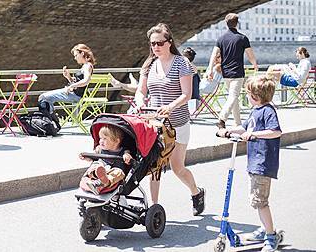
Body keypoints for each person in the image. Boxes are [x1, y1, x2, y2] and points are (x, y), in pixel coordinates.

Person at [134, 23, 205, 216]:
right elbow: (141, 91)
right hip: (154, 123)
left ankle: (196, 192)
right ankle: (153, 208)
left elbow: (187, 94)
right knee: (154, 164)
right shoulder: (149, 64)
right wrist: (140, 101)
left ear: (169, 43)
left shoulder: (182, 63)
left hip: (178, 123)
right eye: (152, 44)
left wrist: (170, 107)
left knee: (177, 167)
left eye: (159, 43)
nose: (155, 47)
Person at [217, 75, 282, 252]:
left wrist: (255, 135)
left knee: (260, 201)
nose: (247, 96)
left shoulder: (268, 110)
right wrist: (228, 130)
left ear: (256, 96)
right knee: (257, 200)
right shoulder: (256, 110)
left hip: (263, 162)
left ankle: (271, 236)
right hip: (255, 161)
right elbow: (245, 128)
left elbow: (275, 131)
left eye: (248, 93)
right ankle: (265, 228)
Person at [206, 13, 258, 129]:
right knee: (233, 96)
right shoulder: (243, 38)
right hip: (238, 72)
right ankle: (222, 118)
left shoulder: (221, 39)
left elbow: (213, 55)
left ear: (226, 23)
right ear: (237, 23)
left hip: (226, 73)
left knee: (232, 97)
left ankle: (237, 123)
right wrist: (254, 64)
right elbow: (250, 55)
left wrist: (209, 70)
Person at [38, 44, 95, 113]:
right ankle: (50, 118)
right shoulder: (85, 66)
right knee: (44, 97)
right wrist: (68, 77)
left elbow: (86, 81)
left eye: (76, 55)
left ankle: (48, 120)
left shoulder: (87, 66)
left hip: (74, 96)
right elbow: (79, 83)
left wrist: (71, 86)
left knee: (44, 97)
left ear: (82, 53)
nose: (75, 58)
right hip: (73, 93)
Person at [79, 124, 133, 194]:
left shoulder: (123, 151)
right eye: (100, 138)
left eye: (105, 139)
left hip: (112, 173)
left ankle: (103, 182)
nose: (101, 141)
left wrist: (127, 156)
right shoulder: (99, 149)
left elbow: (128, 158)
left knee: (119, 172)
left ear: (116, 141)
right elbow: (93, 157)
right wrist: (86, 157)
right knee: (95, 165)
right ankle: (95, 178)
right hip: (99, 171)